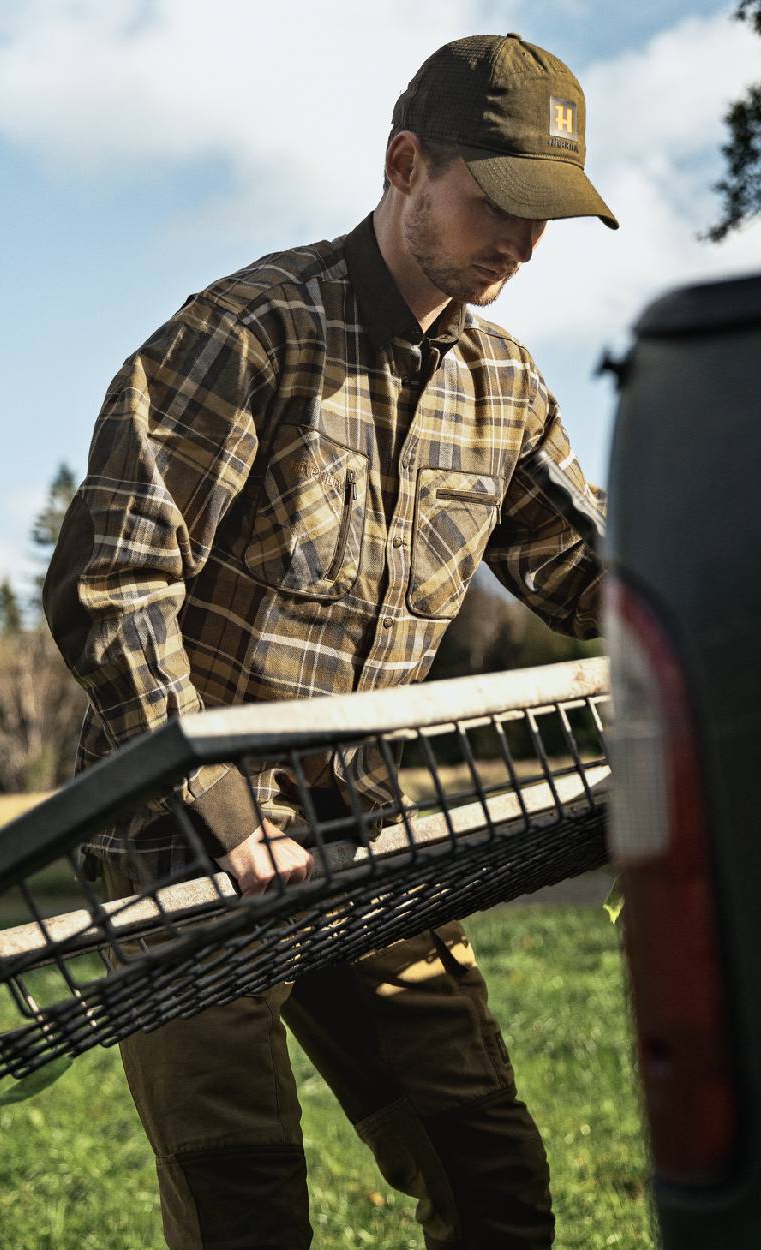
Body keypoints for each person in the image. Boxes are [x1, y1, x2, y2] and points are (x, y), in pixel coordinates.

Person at [44, 32, 616, 1250]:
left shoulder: (504, 388)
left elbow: (594, 573)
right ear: (406, 162)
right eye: (498, 200)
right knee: (247, 1203)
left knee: (491, 1174)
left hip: (359, 830)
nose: (520, 240)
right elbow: (112, 577)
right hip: (178, 837)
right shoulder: (250, 335)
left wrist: (753, 619)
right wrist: (216, 793)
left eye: (547, 217)